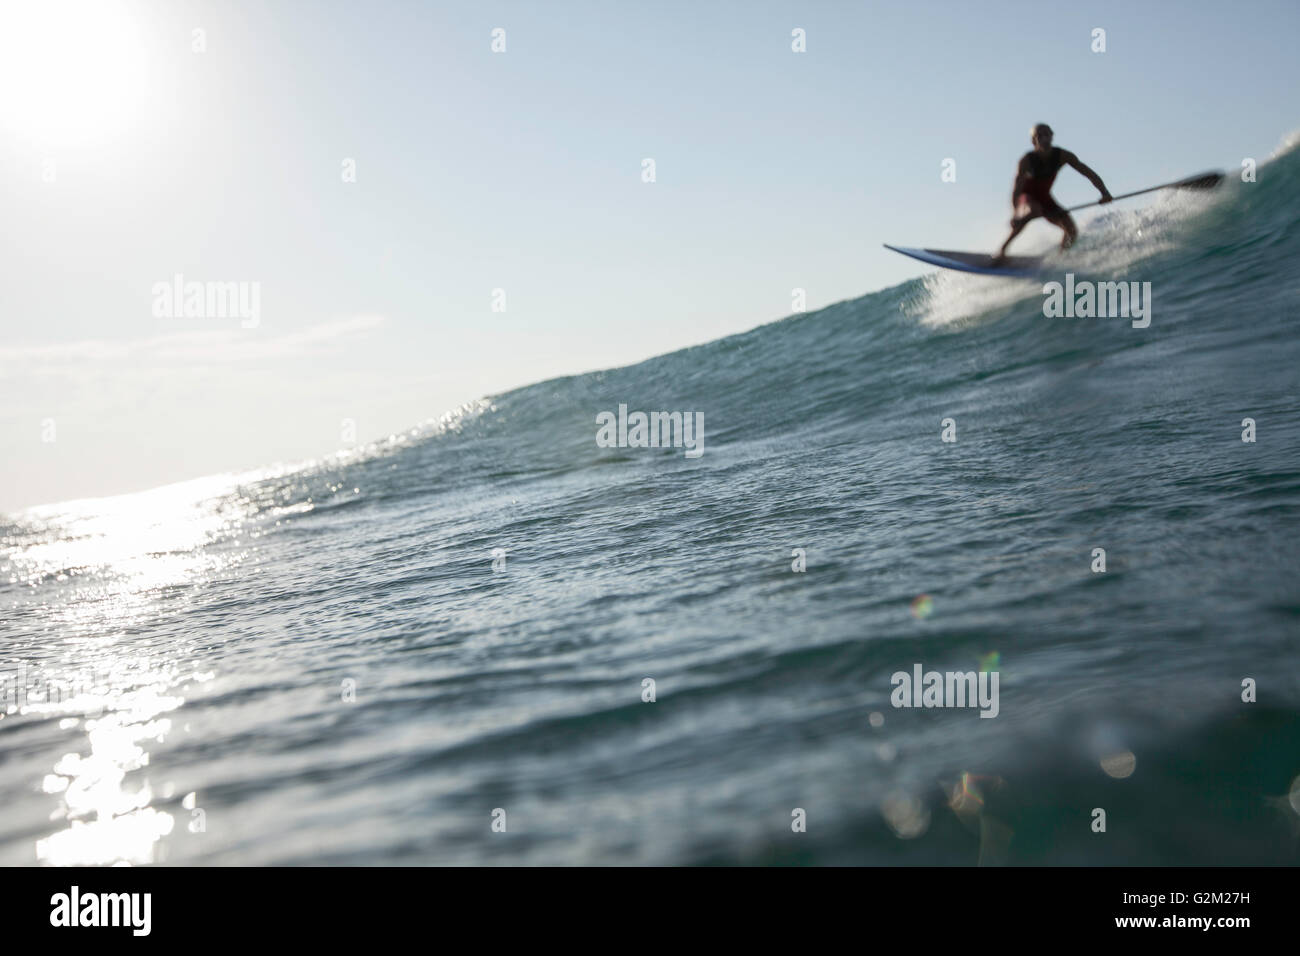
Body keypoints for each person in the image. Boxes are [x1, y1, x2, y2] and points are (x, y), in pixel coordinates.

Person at [993, 124, 1112, 264]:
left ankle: (1061, 257)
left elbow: (1088, 173)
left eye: (1047, 134)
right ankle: (1002, 250)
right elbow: (1016, 190)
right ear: (1033, 141)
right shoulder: (1026, 160)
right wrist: (1015, 214)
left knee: (1071, 230)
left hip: (1045, 197)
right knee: (1034, 210)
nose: (1044, 138)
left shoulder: (1062, 156)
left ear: (1052, 136)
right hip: (1026, 198)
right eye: (1039, 136)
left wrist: (1104, 193)